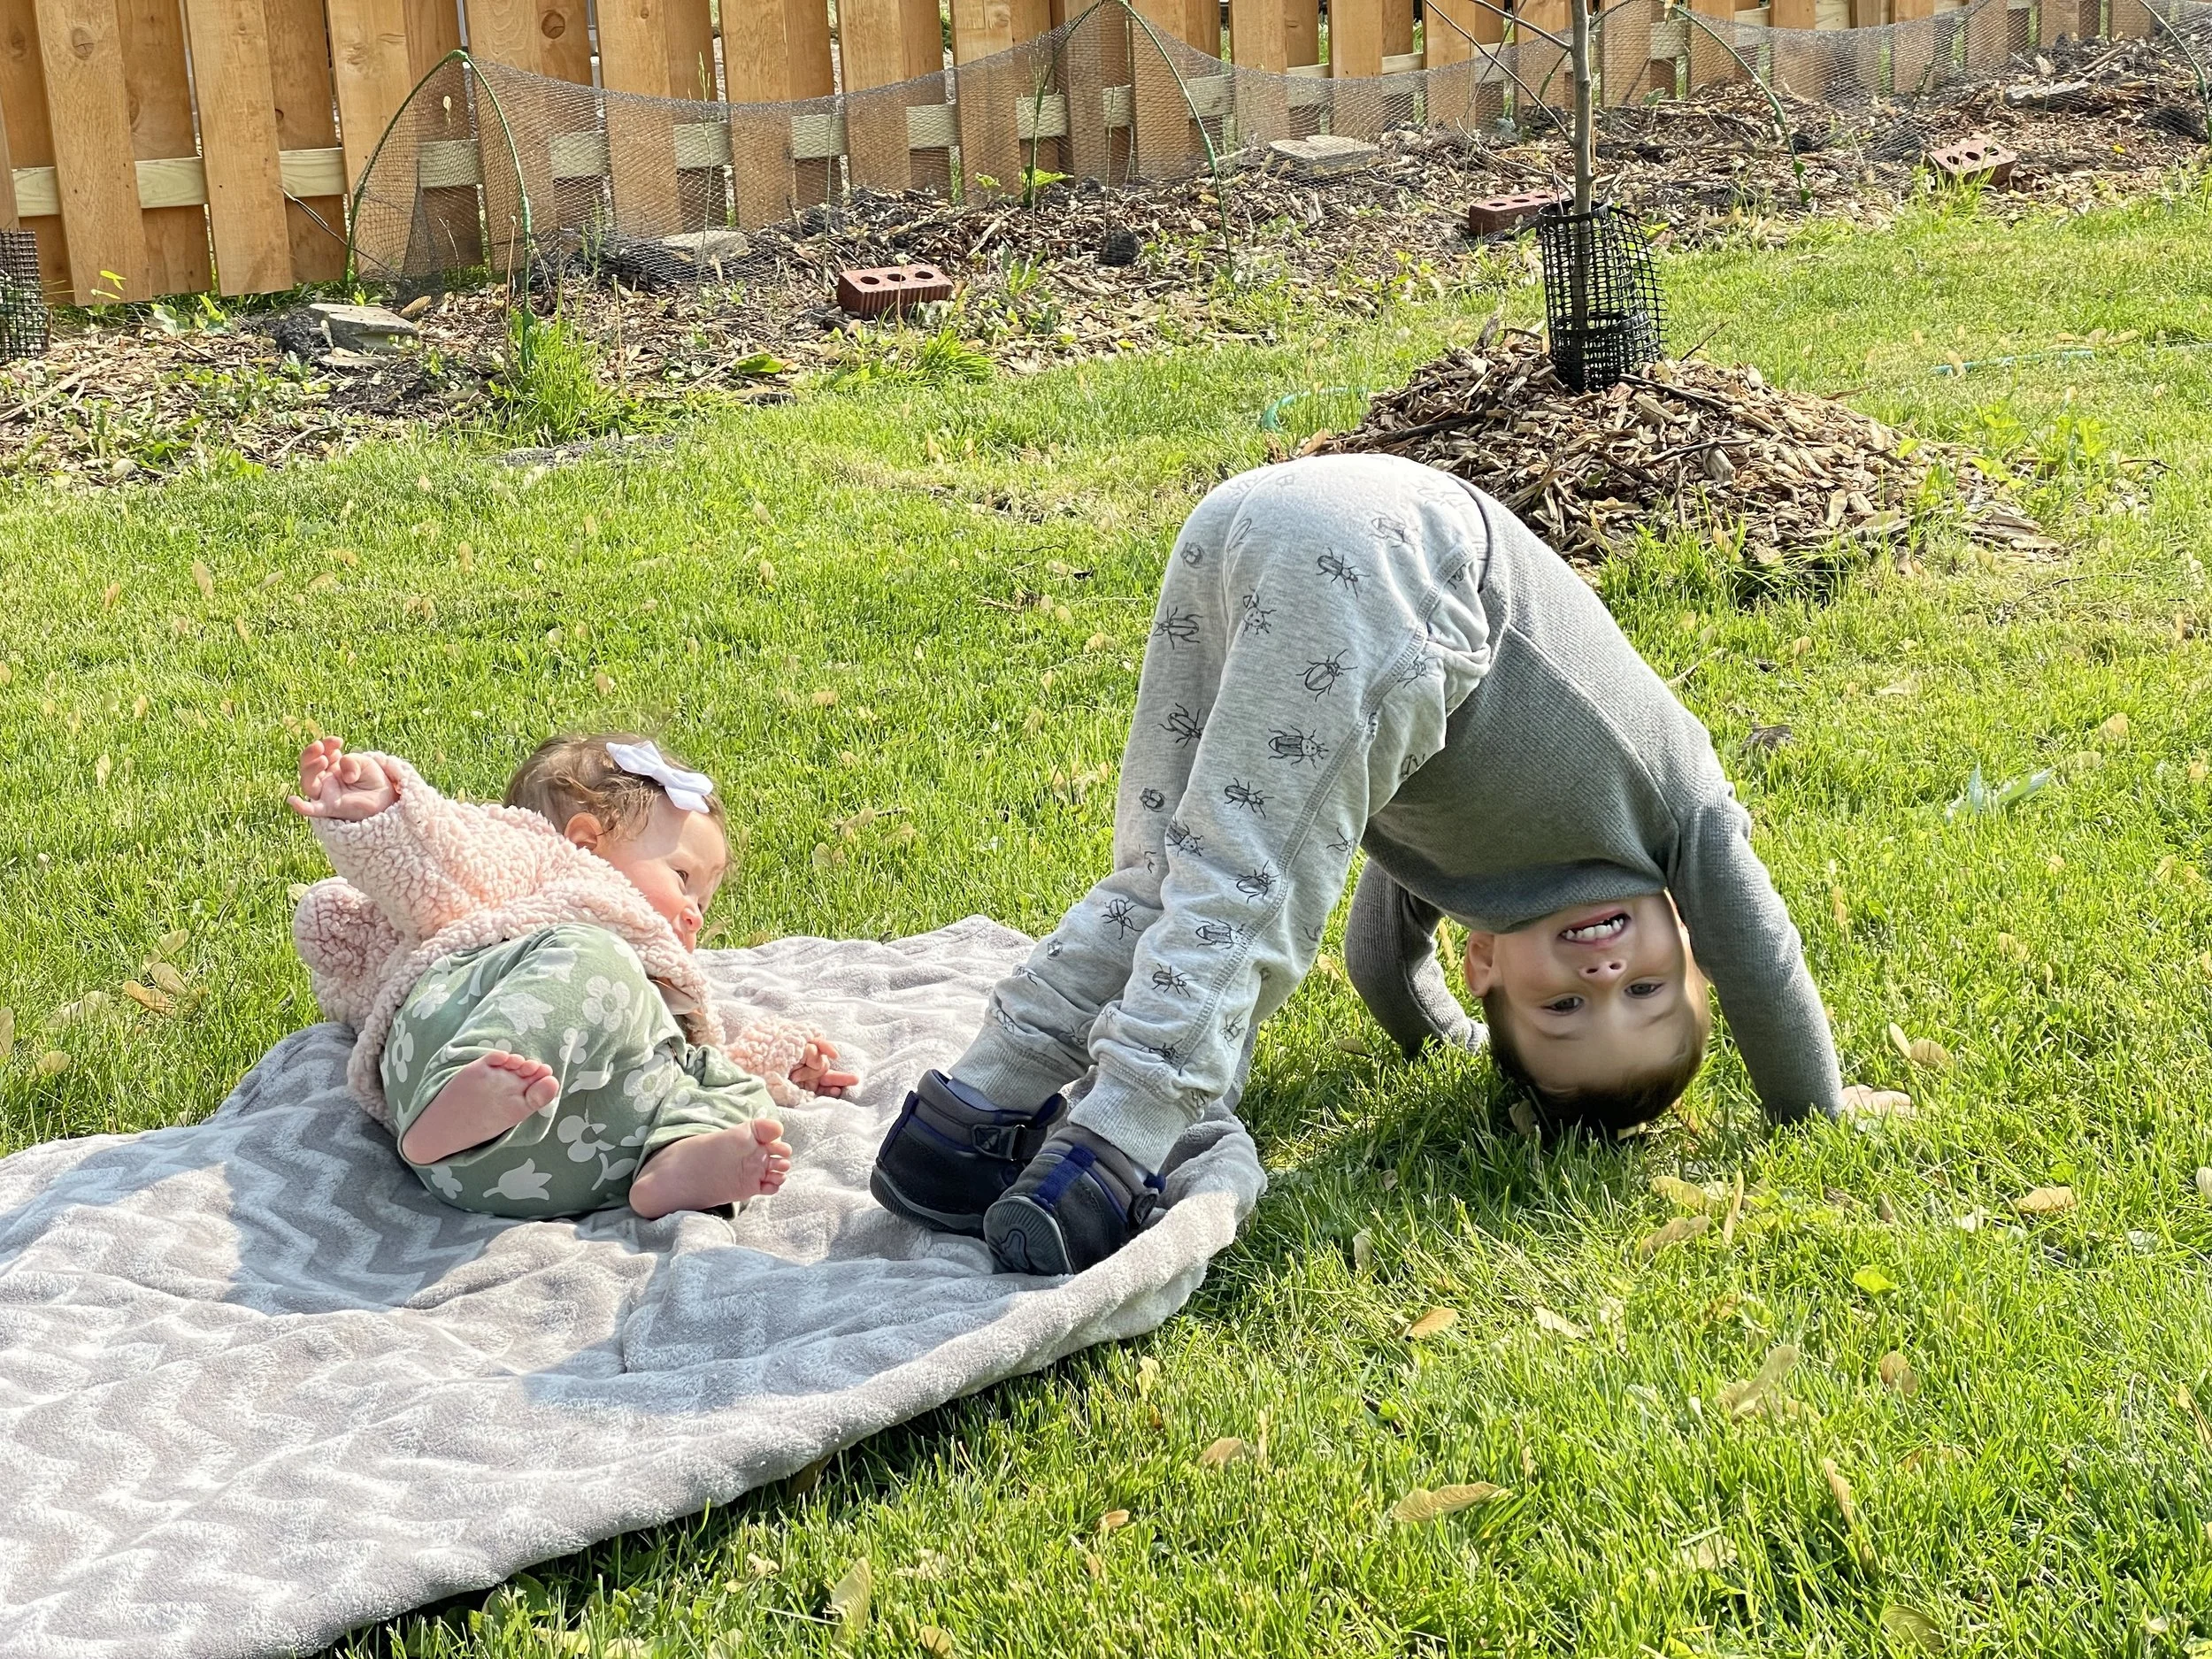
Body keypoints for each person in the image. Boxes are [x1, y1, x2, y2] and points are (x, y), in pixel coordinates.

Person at [873, 452, 1857, 1276]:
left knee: (1169, 874)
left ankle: (964, 1121)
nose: (1605, 977)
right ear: (1691, 940)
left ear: (1487, 971)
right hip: (1409, 567)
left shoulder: (1471, 881)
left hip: (1252, 518)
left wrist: (1439, 1038)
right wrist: (1816, 1109)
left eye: (1566, 1010)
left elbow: (1383, 961)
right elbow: (1762, 960)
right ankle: (1112, 1147)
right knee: (1243, 887)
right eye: (1649, 990)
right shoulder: (1681, 815)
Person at [289, 733, 856, 1220]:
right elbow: (437, 864)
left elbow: (709, 1048)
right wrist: (383, 809)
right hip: (453, 1057)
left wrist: (779, 1055)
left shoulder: (653, 972)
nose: (695, 911)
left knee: (720, 1083)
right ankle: (467, 1094)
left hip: (565, 1163)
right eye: (681, 876)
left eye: (704, 899)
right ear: (585, 841)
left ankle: (677, 1164)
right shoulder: (535, 874)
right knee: (593, 956)